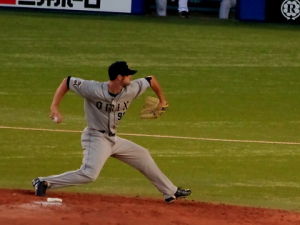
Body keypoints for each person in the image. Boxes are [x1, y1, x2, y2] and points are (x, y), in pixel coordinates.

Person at [32, 61, 191, 203]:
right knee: (89, 175)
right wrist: (55, 107)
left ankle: (170, 192)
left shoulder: (131, 88)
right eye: (128, 74)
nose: (131, 77)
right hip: (95, 137)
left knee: (142, 154)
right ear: (119, 77)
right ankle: (44, 182)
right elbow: (67, 81)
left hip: (113, 139)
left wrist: (162, 100)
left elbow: (150, 79)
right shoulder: (93, 89)